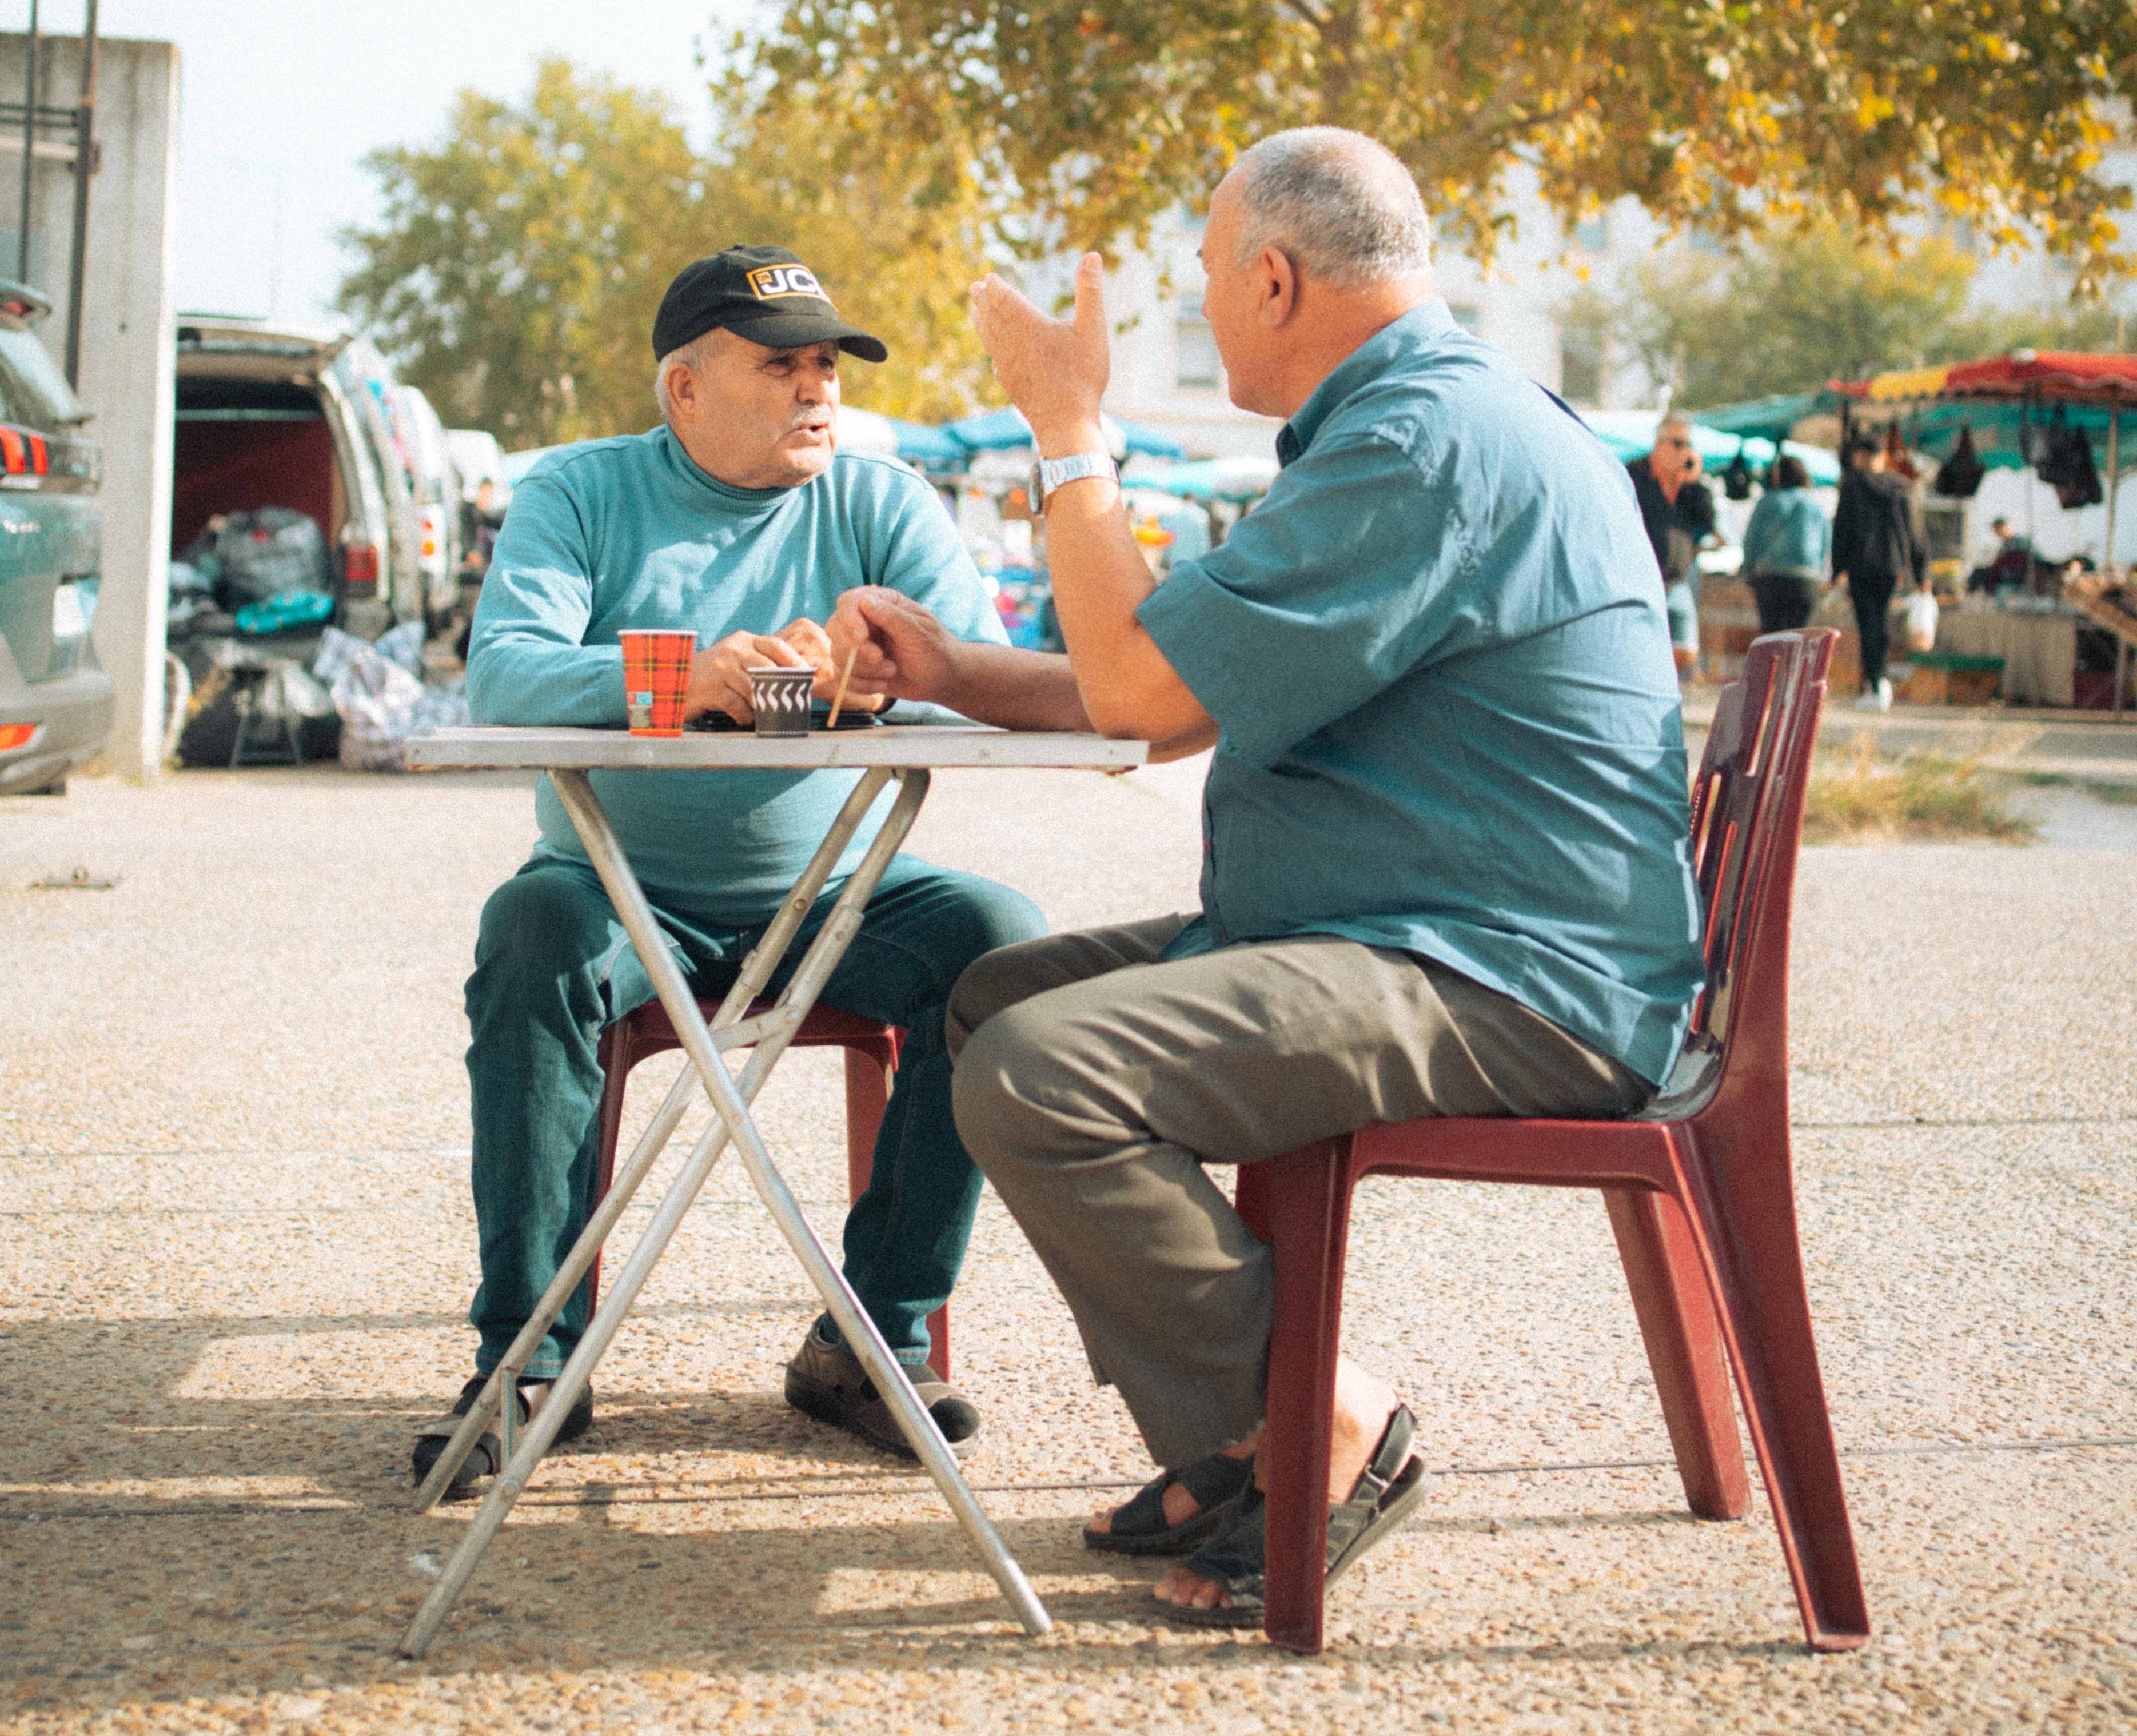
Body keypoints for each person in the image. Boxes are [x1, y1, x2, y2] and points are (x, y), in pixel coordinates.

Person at [912, 127, 1704, 1626]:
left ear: (1273, 278)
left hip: (1505, 968)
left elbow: (1147, 697)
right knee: (998, 999)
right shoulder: (1409, 427)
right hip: (1424, 924)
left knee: (1038, 1070)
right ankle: (1244, 1433)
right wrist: (956, 669)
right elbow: (1182, 685)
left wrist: (1070, 431)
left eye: (1211, 279)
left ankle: (1325, 1421)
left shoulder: (1417, 445)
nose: (1208, 308)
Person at [416, 245, 1090, 1493]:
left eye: (826, 365)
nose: (815, 391)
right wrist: (684, 682)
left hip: (839, 895)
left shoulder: (884, 503)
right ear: (683, 387)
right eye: (779, 365)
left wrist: (893, 680)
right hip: (618, 892)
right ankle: (528, 1358)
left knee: (1006, 943)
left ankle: (875, 1335)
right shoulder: (578, 492)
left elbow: (989, 695)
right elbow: (501, 673)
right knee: (530, 934)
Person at [1831, 434, 1927, 711]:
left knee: (1868, 624)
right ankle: (1881, 681)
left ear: (1860, 457)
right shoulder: (1902, 488)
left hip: (1861, 566)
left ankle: (1874, 682)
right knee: (1881, 622)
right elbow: (1916, 532)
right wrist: (1921, 573)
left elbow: (1842, 530)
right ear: (1883, 457)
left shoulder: (1852, 487)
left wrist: (1838, 569)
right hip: (1892, 567)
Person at [1625, 413, 1717, 676]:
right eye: (1678, 444)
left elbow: (1707, 520)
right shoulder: (1635, 476)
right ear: (1659, 443)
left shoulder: (1687, 487)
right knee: (1641, 651)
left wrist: (1695, 482)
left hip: (1677, 581)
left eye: (1688, 445)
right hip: (1641, 578)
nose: (1685, 453)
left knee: (1686, 651)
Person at [1740, 455, 1831, 633]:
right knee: (1798, 636)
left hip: (1770, 577)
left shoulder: (1768, 502)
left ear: (1779, 475)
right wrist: (1823, 574)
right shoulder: (1815, 506)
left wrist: (1747, 568)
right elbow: (1825, 544)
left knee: (1772, 637)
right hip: (1806, 579)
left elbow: (1752, 539)